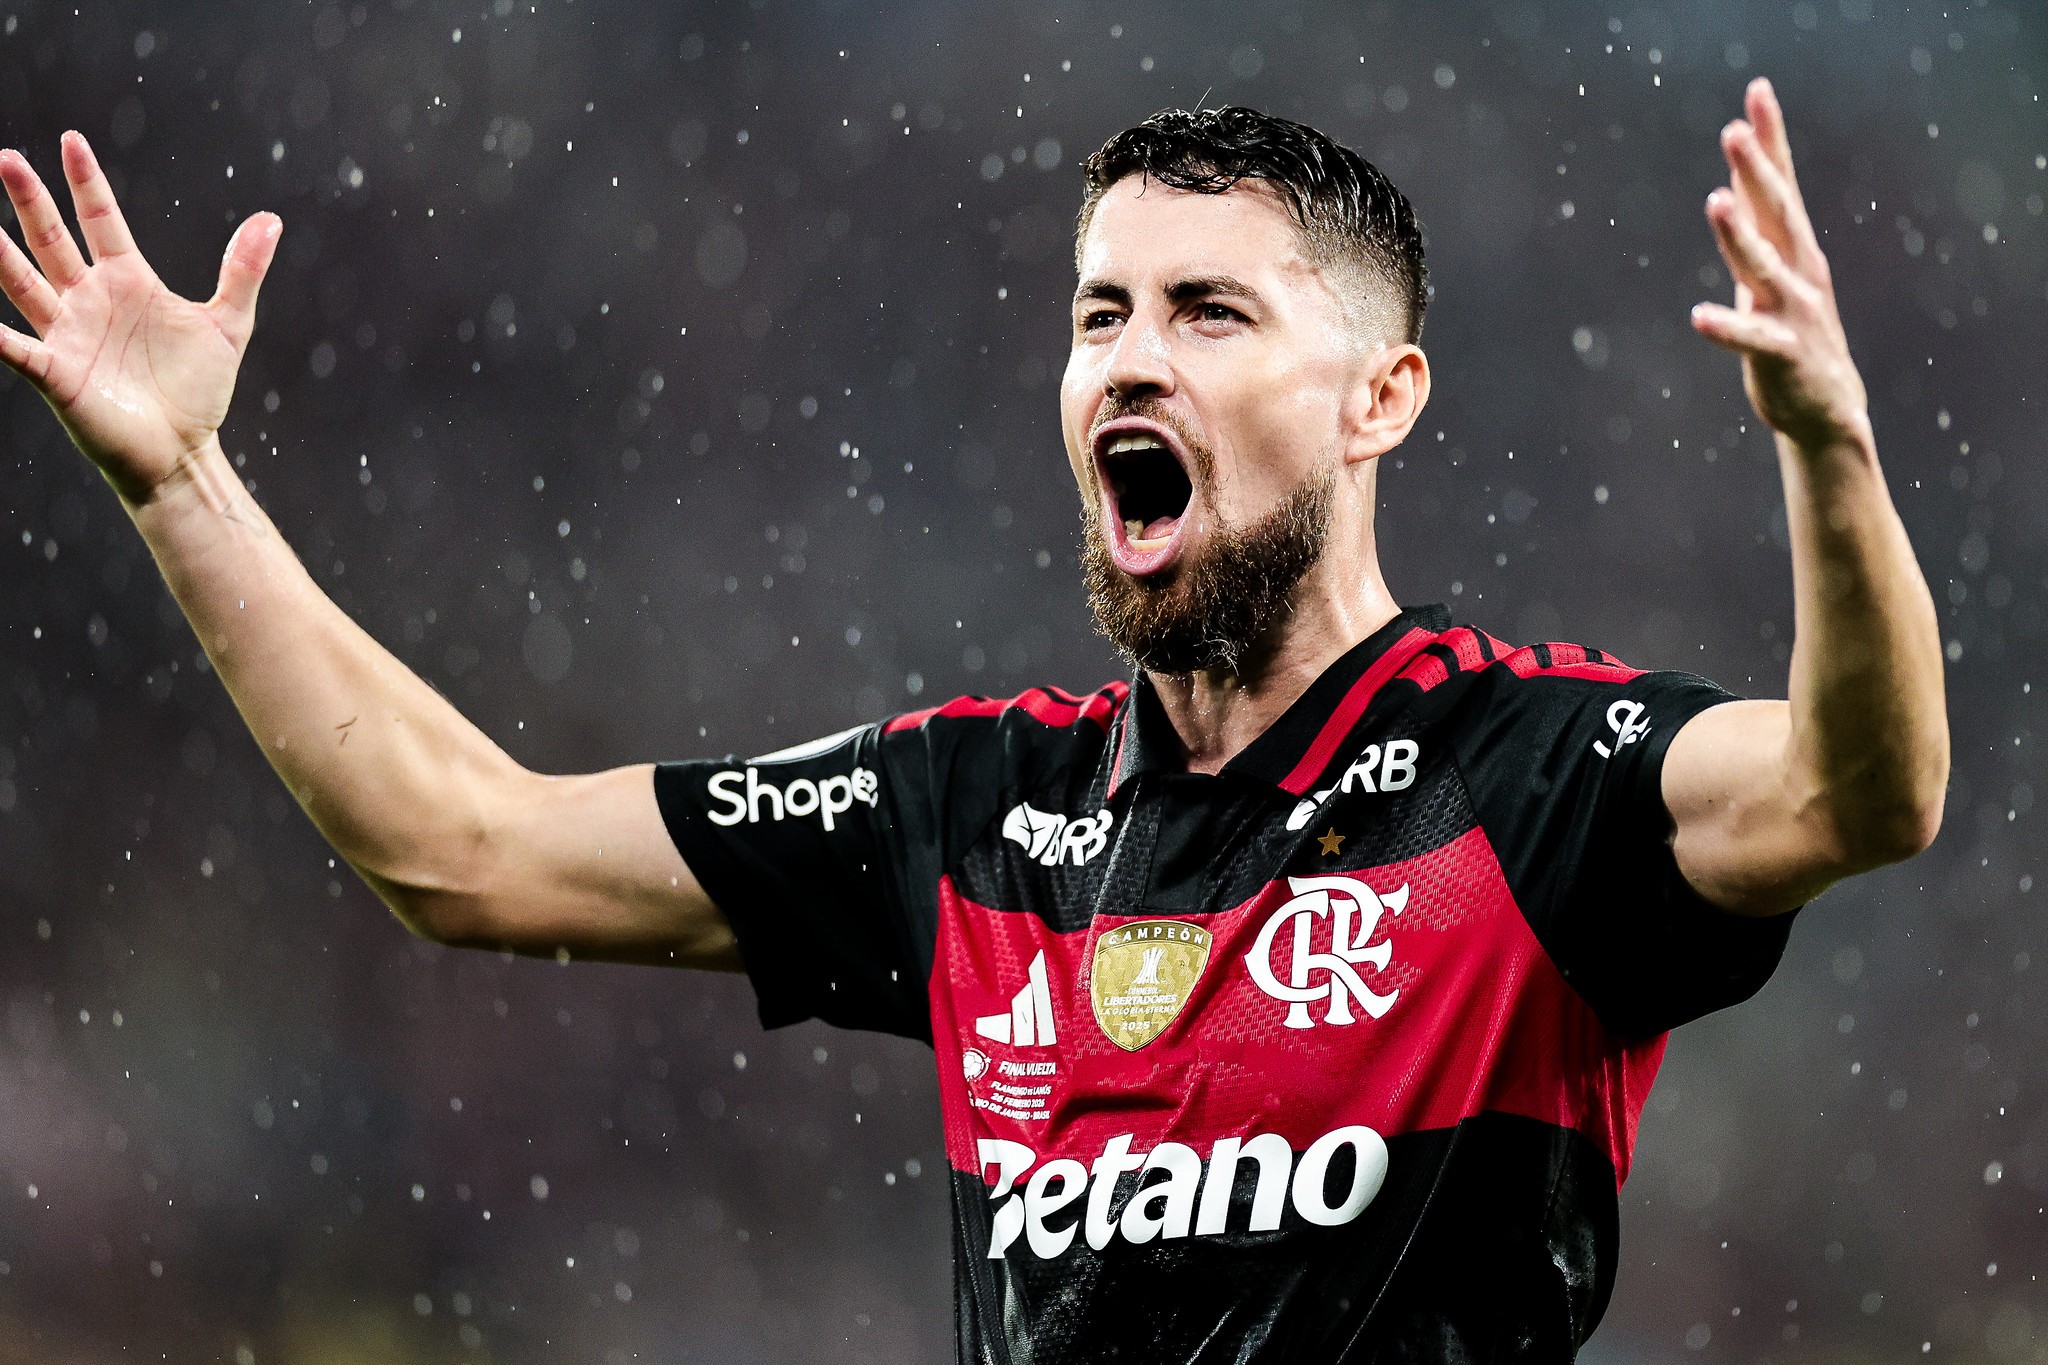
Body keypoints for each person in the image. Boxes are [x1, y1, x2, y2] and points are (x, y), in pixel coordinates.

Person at [0, 79, 1945, 1361]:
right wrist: (181, 482)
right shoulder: (980, 809)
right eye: (1101, 313)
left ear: (1381, 399)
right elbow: (464, 846)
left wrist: (1828, 453)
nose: (1131, 359)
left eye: (1209, 311)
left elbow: (1860, 788)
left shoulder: (1523, 771)